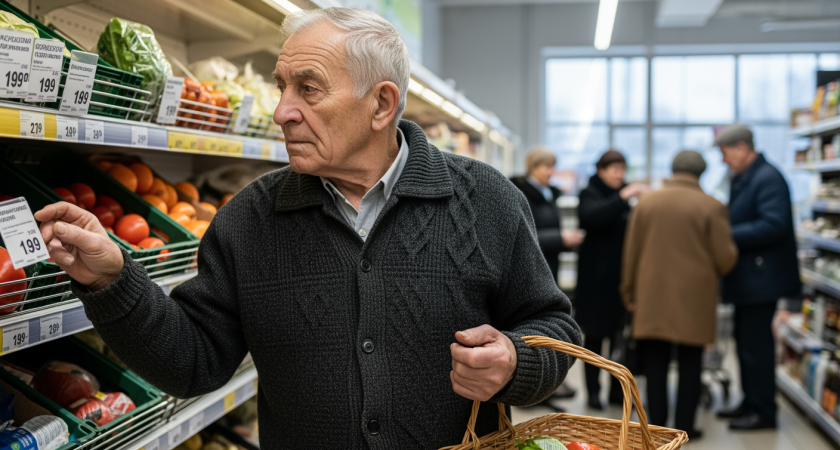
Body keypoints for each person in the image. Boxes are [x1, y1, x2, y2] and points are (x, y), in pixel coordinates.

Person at [33, 8, 582, 449]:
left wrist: (516, 360)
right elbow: (193, 362)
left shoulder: (485, 200)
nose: (282, 112)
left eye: (309, 89)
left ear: (381, 104)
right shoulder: (249, 221)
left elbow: (556, 328)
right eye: (281, 87)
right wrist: (112, 281)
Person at [621, 151, 738, 439]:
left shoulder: (646, 203)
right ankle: (685, 427)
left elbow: (631, 252)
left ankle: (657, 428)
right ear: (702, 172)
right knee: (690, 363)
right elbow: (725, 259)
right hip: (694, 299)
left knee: (655, 363)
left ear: (673, 169)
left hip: (652, 295)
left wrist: (628, 291)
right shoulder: (712, 206)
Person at [714, 125, 800, 431]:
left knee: (757, 348)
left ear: (741, 147)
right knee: (745, 345)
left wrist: (723, 235)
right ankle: (750, 401)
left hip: (762, 280)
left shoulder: (768, 178)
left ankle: (763, 411)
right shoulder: (747, 178)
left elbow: (773, 224)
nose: (724, 161)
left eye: (725, 154)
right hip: (748, 280)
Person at [511, 147, 585, 403]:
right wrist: (560, 238)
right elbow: (523, 235)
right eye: (546, 167)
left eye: (553, 167)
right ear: (533, 167)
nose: (551, 172)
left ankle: (548, 384)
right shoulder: (521, 193)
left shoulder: (548, 193)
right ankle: (533, 389)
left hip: (548, 264)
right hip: (529, 269)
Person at [576, 149, 647, 410]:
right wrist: (622, 197)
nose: (619, 175)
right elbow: (593, 218)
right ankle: (593, 393)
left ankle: (617, 391)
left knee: (619, 339)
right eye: (614, 170)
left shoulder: (626, 195)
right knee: (594, 341)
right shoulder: (590, 193)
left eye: (622, 170)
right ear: (601, 171)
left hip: (620, 282)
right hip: (595, 283)